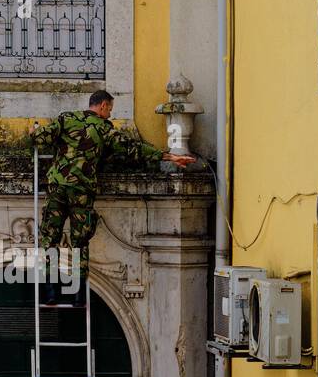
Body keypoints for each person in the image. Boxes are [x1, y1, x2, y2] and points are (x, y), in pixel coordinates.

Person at [32, 88, 196, 305]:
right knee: (80, 242)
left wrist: (35, 130)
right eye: (110, 109)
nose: (110, 114)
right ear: (102, 106)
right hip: (82, 191)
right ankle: (79, 295)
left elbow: (39, 139)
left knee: (49, 239)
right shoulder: (104, 129)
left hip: (58, 188)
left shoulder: (66, 119)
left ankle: (50, 292)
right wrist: (168, 157)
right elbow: (132, 149)